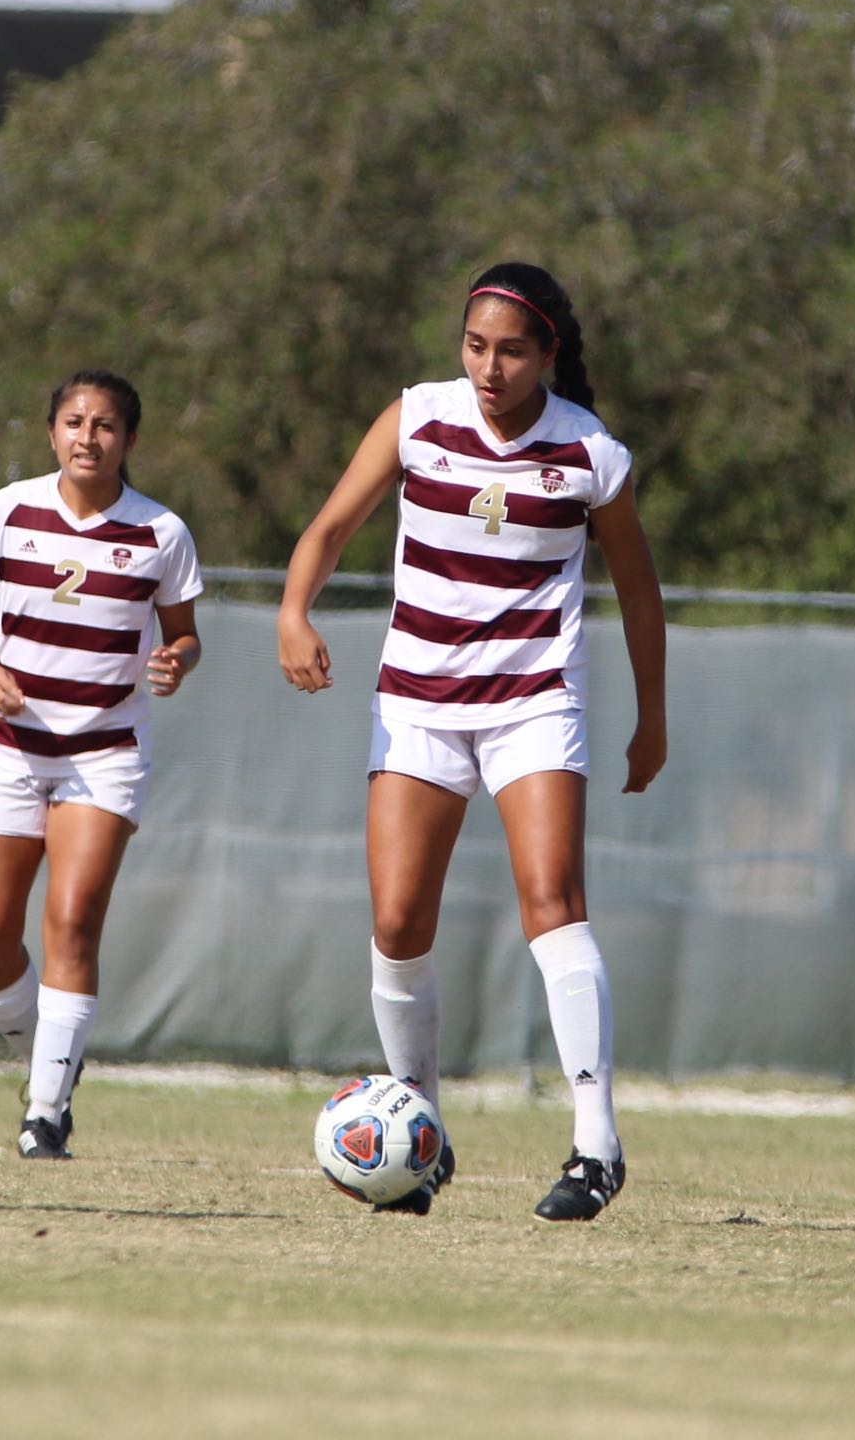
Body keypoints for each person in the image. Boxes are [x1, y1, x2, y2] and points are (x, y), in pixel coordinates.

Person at [277, 262, 666, 1221]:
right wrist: (294, 611)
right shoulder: (416, 416)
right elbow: (331, 528)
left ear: (550, 357)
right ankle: (423, 1136)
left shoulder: (589, 454)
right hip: (417, 700)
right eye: (476, 345)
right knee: (400, 922)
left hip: (535, 700)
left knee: (552, 902)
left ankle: (596, 1146)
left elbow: (642, 593)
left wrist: (652, 718)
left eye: (513, 351)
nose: (489, 368)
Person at [0, 371, 205, 1159]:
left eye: (104, 425)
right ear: (51, 432)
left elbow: (185, 632)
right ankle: (48, 1057)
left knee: (71, 921)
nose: (86, 437)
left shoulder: (161, 532)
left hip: (104, 755)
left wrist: (177, 660)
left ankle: (47, 1111)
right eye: (73, 421)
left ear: (128, 440)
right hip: (6, 747)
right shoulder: (8, 509)